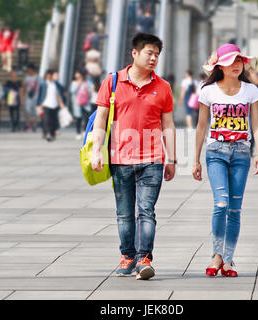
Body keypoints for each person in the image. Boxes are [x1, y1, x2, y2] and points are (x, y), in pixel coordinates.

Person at [91, 33, 176, 280]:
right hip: (120, 159)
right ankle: (127, 256)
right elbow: (101, 119)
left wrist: (171, 158)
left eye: (157, 55)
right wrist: (97, 151)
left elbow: (168, 124)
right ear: (135, 53)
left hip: (152, 159)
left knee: (146, 210)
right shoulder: (113, 81)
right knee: (125, 213)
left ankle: (144, 259)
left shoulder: (163, 87)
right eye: (149, 53)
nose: (153, 58)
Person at [193, 43, 258, 278]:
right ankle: (216, 255)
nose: (236, 64)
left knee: (234, 209)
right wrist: (195, 160)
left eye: (239, 60)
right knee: (220, 203)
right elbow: (201, 126)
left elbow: (257, 124)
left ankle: (228, 260)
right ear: (219, 66)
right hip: (216, 153)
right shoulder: (208, 91)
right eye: (231, 60)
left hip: (242, 154)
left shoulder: (251, 90)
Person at [36, 69, 66, 142]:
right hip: (46, 104)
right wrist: (39, 104)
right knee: (47, 119)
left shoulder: (56, 84)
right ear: (46, 76)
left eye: (51, 75)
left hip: (55, 104)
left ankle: (52, 133)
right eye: (48, 75)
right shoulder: (43, 84)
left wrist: (62, 103)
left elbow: (60, 93)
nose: (49, 77)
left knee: (54, 120)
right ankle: (48, 133)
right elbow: (40, 95)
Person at [70, 69, 92, 141]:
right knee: (78, 118)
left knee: (86, 117)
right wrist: (78, 85)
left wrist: (87, 90)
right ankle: (78, 132)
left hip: (86, 103)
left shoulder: (87, 83)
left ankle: (84, 130)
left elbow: (90, 92)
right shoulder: (74, 83)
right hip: (77, 103)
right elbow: (72, 91)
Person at [22, 63, 39, 132]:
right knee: (27, 110)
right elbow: (24, 86)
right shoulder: (27, 77)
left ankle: (34, 125)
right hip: (28, 96)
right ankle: (28, 124)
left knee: (35, 112)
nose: (28, 71)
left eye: (29, 69)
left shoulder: (38, 77)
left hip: (36, 96)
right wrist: (23, 96)